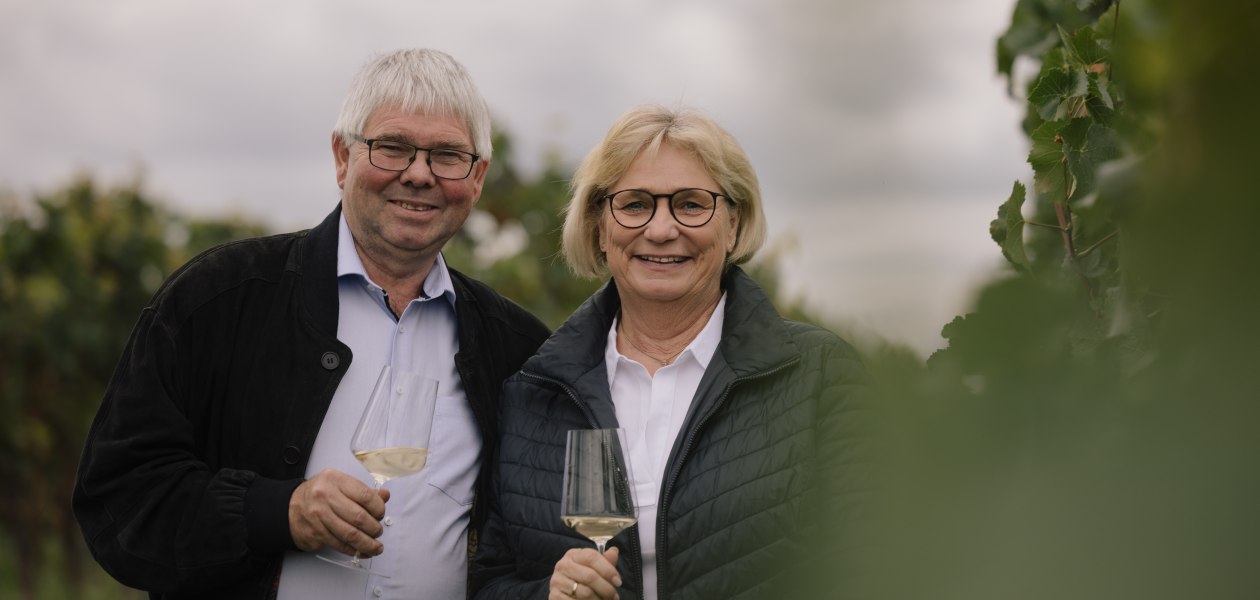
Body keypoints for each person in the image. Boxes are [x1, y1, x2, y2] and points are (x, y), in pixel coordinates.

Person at [73, 48, 550, 599]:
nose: (420, 174)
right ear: (342, 157)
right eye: (392, 147)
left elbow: (526, 548)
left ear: (478, 177)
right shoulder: (219, 299)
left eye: (447, 155)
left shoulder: (516, 347)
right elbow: (116, 498)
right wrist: (280, 512)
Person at [471, 105, 873, 600]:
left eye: (690, 204)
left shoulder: (820, 374)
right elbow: (488, 583)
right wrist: (546, 595)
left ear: (733, 224)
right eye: (635, 204)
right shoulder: (532, 393)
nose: (661, 230)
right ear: (600, 226)